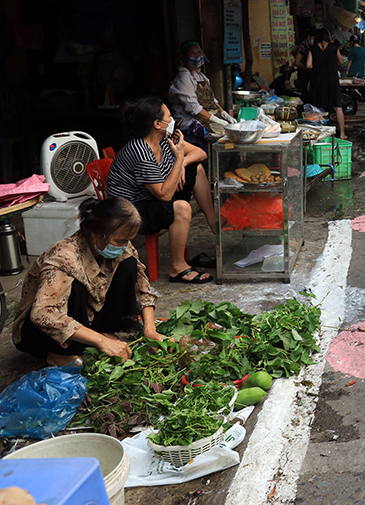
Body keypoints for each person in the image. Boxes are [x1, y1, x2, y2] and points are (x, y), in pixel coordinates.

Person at [11, 197, 165, 366]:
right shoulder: (64, 257)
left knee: (128, 264)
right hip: (39, 334)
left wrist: (150, 330)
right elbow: (42, 314)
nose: (124, 245)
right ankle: (60, 353)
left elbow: (142, 287)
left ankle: (104, 332)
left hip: (89, 317)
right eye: (120, 241)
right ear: (95, 233)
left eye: (128, 240)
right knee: (74, 286)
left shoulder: (121, 246)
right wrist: (101, 341)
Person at [107, 97, 215, 283]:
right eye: (169, 116)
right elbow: (164, 195)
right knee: (181, 207)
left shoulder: (165, 139)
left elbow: (201, 153)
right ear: (157, 124)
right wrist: (179, 159)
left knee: (195, 168)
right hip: (132, 211)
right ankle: (177, 267)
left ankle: (215, 225)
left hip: (153, 197)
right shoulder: (140, 150)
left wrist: (183, 163)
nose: (173, 119)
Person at [168, 41, 236, 148]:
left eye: (199, 52)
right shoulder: (183, 77)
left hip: (205, 120)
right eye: (192, 53)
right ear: (183, 57)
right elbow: (193, 108)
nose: (197, 55)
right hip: (190, 124)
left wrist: (225, 115)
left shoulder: (202, 77)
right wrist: (217, 120)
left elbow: (213, 101)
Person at [306, 28, 347, 138]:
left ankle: (318, 135)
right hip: (332, 80)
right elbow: (342, 61)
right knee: (338, 107)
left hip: (318, 81)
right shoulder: (334, 47)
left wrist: (318, 67)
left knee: (317, 108)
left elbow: (308, 65)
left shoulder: (313, 49)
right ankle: (342, 134)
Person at [292, 28, 316, 97]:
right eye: (313, 38)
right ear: (309, 37)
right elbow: (297, 62)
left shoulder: (309, 47)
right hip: (303, 74)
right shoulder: (302, 47)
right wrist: (308, 69)